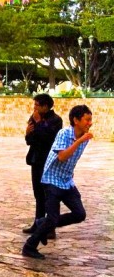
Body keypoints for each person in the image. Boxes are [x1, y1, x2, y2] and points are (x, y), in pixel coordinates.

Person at [22, 104, 93, 259]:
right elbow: (62, 157)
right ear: (76, 120)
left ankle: (42, 223)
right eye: (87, 120)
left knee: (80, 214)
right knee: (52, 218)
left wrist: (81, 140)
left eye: (90, 120)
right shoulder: (64, 133)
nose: (90, 123)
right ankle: (29, 246)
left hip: (66, 181)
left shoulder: (84, 137)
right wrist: (79, 141)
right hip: (52, 179)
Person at [22, 94, 63, 235]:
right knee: (38, 194)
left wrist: (39, 124)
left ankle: (50, 228)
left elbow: (49, 138)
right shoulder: (34, 117)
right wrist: (28, 133)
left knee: (50, 195)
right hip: (36, 160)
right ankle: (38, 223)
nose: (35, 107)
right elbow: (29, 139)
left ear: (46, 106)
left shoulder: (56, 120)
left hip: (49, 162)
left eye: (37, 105)